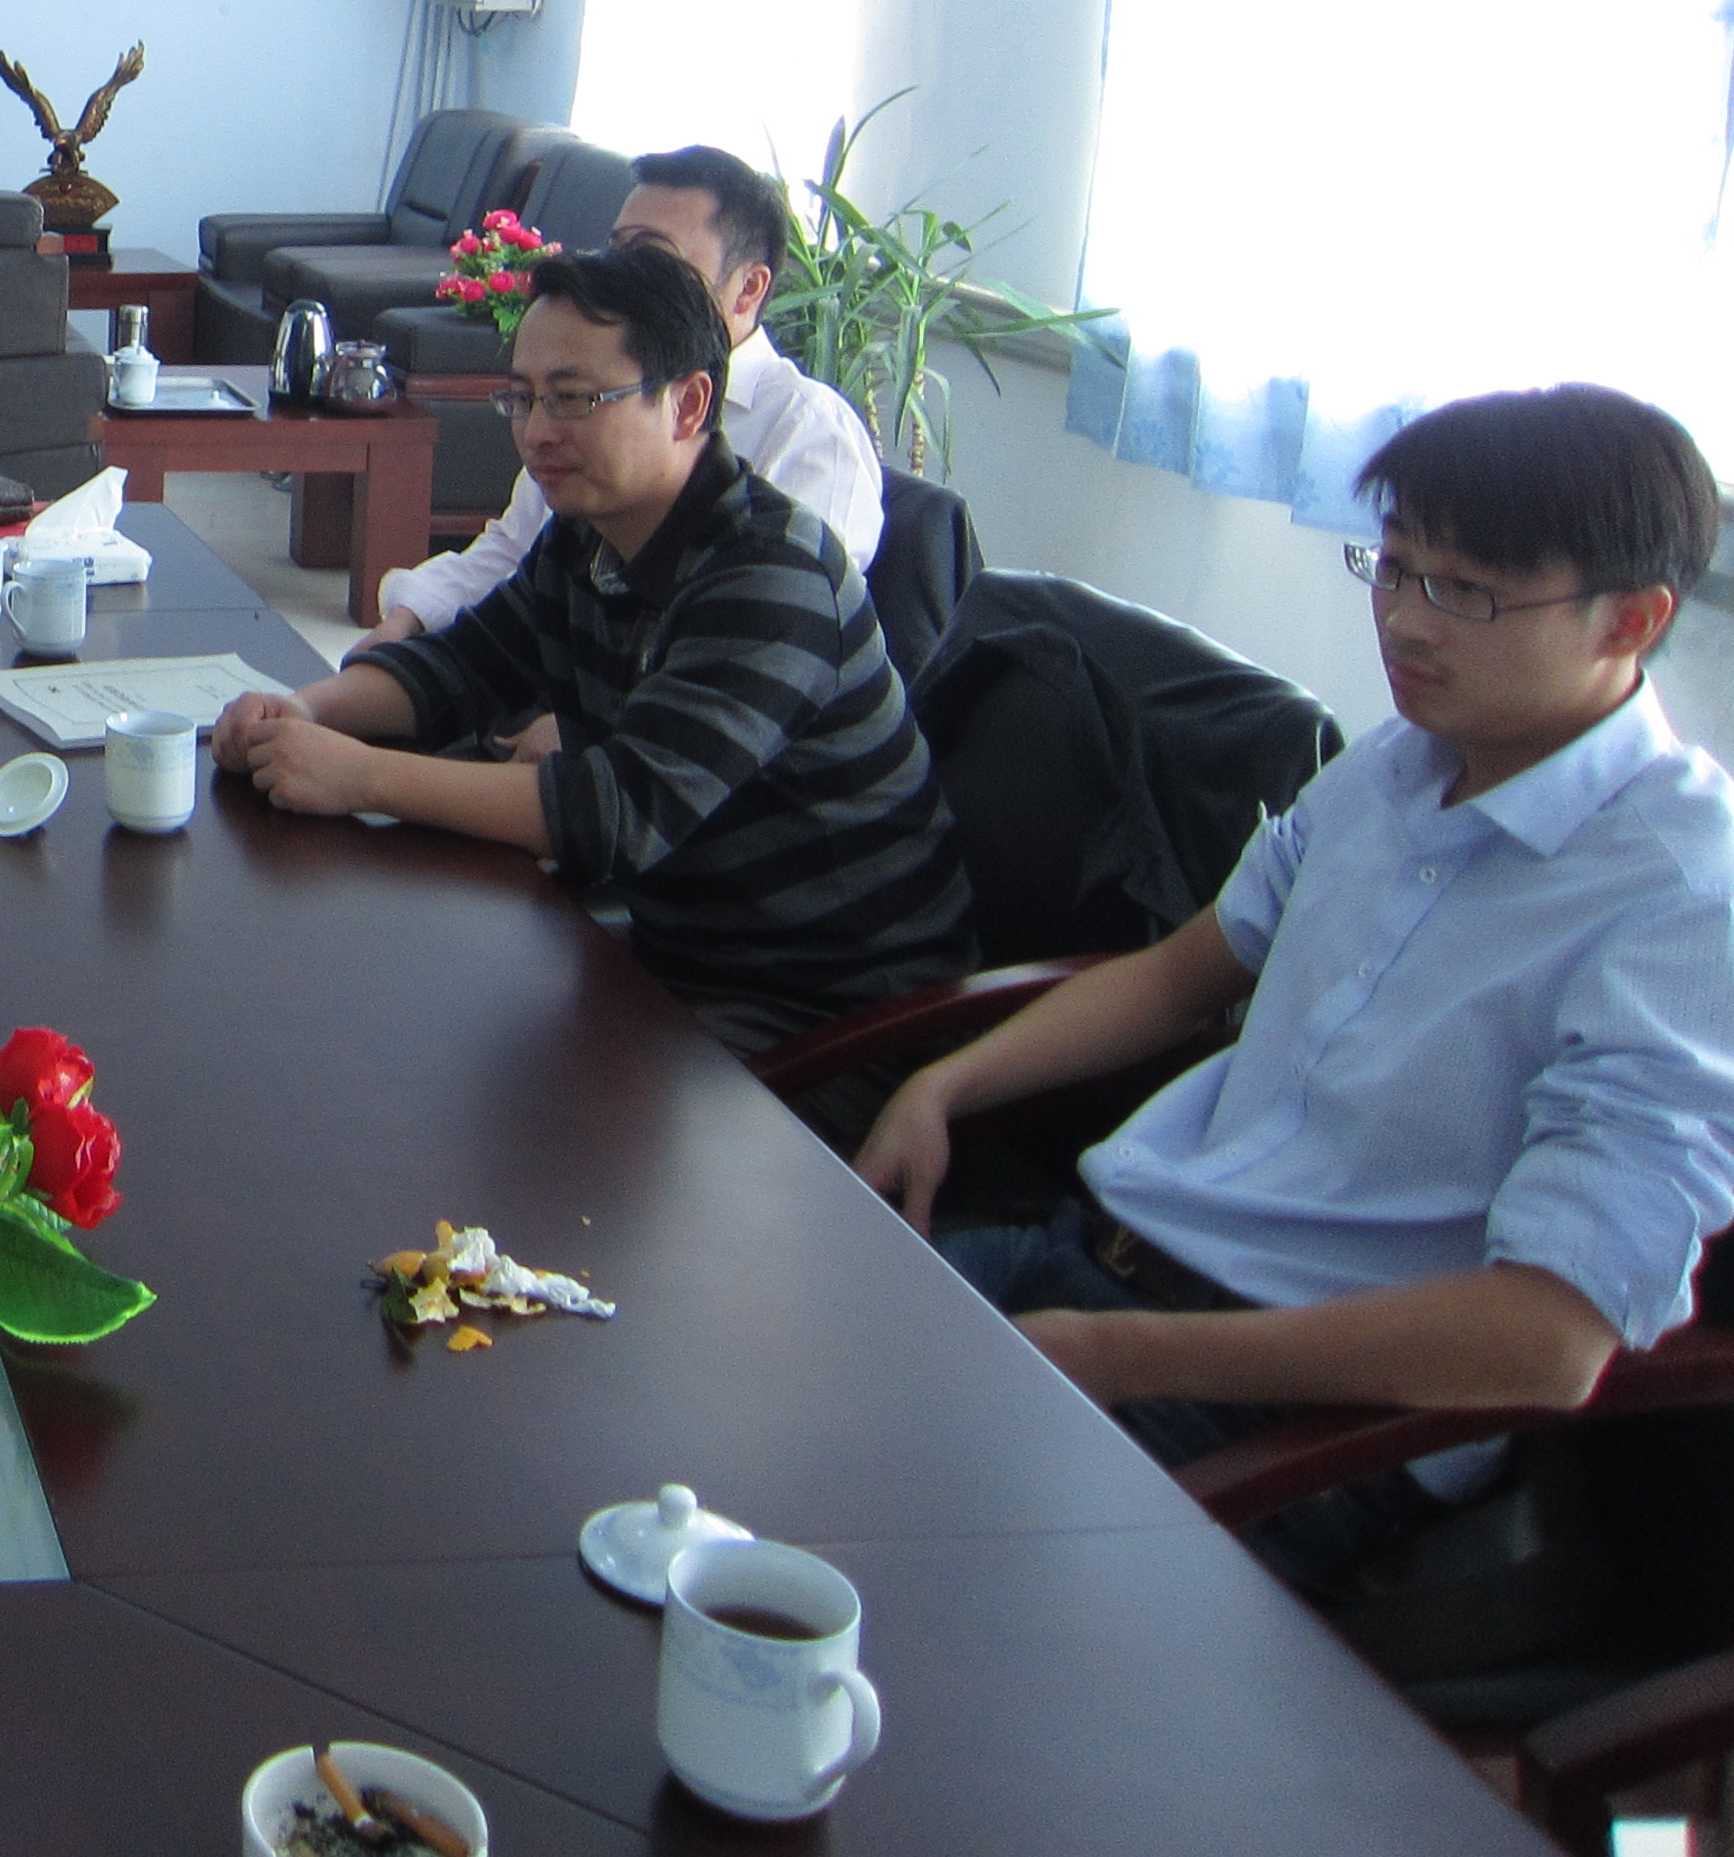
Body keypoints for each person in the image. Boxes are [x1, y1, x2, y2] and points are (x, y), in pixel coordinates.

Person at [854, 384, 1734, 1578]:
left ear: (1629, 619)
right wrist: (942, 1088)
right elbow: (1177, 975)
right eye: (1394, 568)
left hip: (1287, 1411)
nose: (1405, 624)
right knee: (730, 1363)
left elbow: (1549, 1342)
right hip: (1092, 1262)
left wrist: (1124, 1360)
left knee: (844, 1539)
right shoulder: (1395, 766)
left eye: (1466, 593)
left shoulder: (1681, 899)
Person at [211, 244, 972, 1067]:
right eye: (523, 398)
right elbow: (467, 665)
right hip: (681, 959)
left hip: (836, 1018)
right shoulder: (590, 533)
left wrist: (359, 776)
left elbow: (618, 812)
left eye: (574, 399)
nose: (537, 432)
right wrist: (308, 709)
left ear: (688, 404)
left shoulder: (774, 574)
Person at [367, 143, 882, 638]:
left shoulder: (807, 429)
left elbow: (782, 625)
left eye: (654, 256)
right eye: (618, 249)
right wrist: (409, 621)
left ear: (748, 288)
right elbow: (514, 550)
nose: (625, 274)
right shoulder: (589, 393)